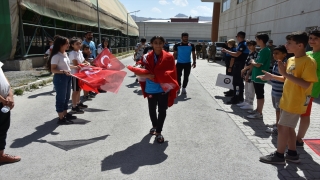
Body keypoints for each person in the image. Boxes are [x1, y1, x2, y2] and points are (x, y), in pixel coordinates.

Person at [258, 31, 317, 165]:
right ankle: (292, 154)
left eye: (289, 43)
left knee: (282, 126)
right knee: (289, 128)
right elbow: (287, 78)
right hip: (286, 99)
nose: (286, 45)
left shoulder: (309, 62)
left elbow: (306, 83)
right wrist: (272, 77)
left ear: (300, 45)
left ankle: (279, 155)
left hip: (296, 101)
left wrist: (284, 73)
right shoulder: (291, 59)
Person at [136, 36, 179, 143]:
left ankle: (159, 132)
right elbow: (139, 69)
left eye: (160, 43)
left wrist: (163, 77)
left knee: (162, 110)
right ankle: (154, 126)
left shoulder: (169, 57)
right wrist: (146, 75)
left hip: (163, 88)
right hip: (151, 88)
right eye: (155, 43)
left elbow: (172, 72)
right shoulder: (146, 57)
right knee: (152, 109)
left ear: (163, 43)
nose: (158, 45)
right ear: (151, 44)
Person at [296, 29, 320, 147]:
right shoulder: (308, 54)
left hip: (310, 91)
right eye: (310, 38)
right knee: (297, 112)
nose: (312, 41)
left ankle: (299, 139)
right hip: (298, 88)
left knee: (305, 114)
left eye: (315, 38)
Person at [47, 36, 79, 125]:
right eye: (67, 43)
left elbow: (67, 66)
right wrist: (63, 71)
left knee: (67, 97)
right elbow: (53, 69)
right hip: (60, 78)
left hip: (68, 76)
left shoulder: (64, 54)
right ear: (61, 45)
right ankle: (61, 118)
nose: (69, 45)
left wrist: (75, 67)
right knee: (61, 98)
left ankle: (65, 114)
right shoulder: (56, 56)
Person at [263, 45, 287, 134]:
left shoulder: (285, 63)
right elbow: (276, 76)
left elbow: (285, 77)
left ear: (284, 54)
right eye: (274, 53)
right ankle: (278, 123)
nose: (274, 55)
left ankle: (278, 127)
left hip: (280, 92)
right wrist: (269, 77)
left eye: (277, 53)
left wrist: (272, 76)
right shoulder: (277, 62)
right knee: (277, 109)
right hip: (275, 90)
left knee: (278, 110)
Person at [0, 61, 21, 164]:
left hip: (4, 101)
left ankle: (1, 155)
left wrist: (10, 94)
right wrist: (3, 100)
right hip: (2, 101)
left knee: (2, 128)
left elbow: (3, 76)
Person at [246, 33, 271, 119]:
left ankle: (259, 112)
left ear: (261, 40)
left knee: (260, 95)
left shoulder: (265, 50)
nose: (256, 41)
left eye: (257, 39)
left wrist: (252, 61)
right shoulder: (261, 50)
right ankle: (257, 110)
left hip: (260, 76)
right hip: (256, 75)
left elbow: (258, 64)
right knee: (258, 94)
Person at [221, 31, 249, 104]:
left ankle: (236, 98)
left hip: (240, 65)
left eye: (237, 37)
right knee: (239, 82)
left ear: (239, 37)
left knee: (236, 82)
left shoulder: (243, 44)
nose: (236, 38)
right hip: (239, 65)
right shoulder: (241, 44)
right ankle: (239, 97)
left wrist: (226, 51)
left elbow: (236, 54)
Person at [69, 37, 89, 114]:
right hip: (75, 74)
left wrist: (87, 62)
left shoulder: (79, 52)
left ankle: (78, 102)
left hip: (81, 73)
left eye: (80, 43)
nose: (79, 45)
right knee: (75, 90)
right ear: (72, 45)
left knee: (79, 89)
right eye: (77, 44)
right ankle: (74, 106)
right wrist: (85, 64)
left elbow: (83, 60)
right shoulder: (72, 53)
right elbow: (76, 64)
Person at [237, 40, 258, 110]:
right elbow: (247, 63)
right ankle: (246, 101)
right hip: (246, 72)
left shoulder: (255, 54)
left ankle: (250, 103)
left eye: (250, 45)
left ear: (254, 45)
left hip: (251, 73)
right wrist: (244, 70)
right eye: (248, 45)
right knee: (246, 87)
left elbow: (252, 65)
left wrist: (247, 72)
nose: (249, 47)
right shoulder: (250, 53)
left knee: (250, 89)